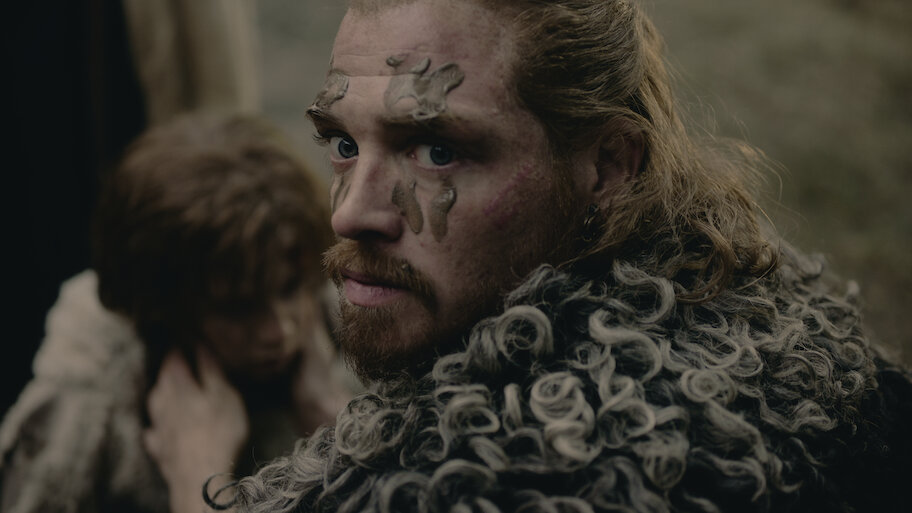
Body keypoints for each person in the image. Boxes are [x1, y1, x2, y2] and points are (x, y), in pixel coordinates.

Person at [150, 1, 912, 512]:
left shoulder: (541, 476)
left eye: (437, 150)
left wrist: (194, 475)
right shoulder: (762, 320)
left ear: (608, 166)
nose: (349, 213)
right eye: (343, 142)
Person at [0, 112, 352, 513]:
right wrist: (197, 469)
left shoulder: (347, 326)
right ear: (167, 307)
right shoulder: (92, 399)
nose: (280, 330)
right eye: (238, 308)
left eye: (289, 288)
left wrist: (332, 420)